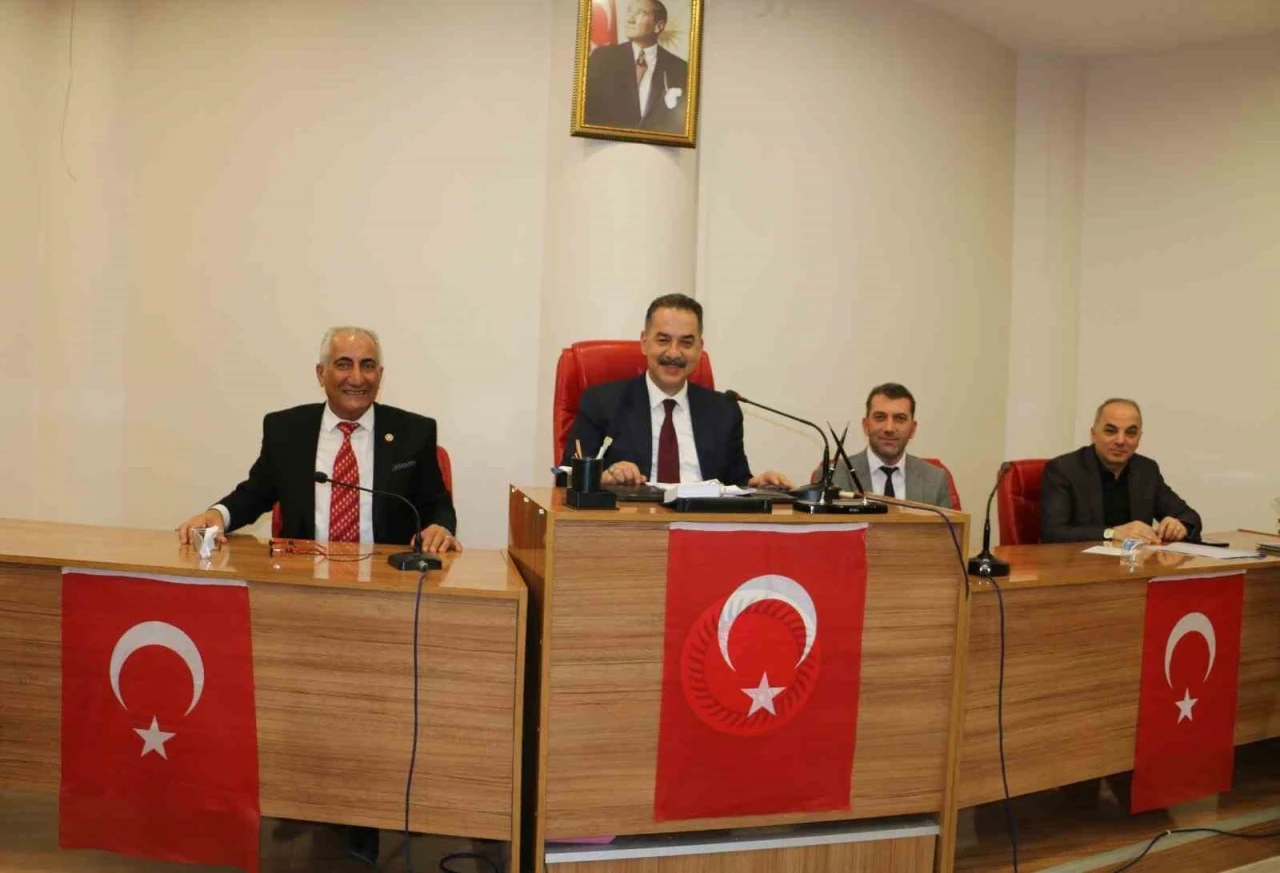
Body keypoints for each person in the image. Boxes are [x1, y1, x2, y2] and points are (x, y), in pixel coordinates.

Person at [177, 326, 459, 552]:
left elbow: (437, 505)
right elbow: (255, 493)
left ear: (380, 375)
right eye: (344, 365)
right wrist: (219, 514)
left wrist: (441, 527)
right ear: (321, 373)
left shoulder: (414, 432)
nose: (357, 378)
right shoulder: (286, 430)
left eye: (368, 366)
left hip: (387, 581)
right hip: (304, 575)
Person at [562, 293, 792, 489]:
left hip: (705, 523)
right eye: (663, 340)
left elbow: (735, 482)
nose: (673, 353)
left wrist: (756, 485)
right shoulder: (602, 403)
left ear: (700, 348)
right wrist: (605, 477)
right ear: (644, 342)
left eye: (686, 343)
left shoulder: (724, 410)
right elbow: (567, 477)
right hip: (634, 521)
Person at [1040, 398, 1201, 544]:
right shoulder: (1064, 469)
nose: (1120, 440)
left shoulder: (1146, 470)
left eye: (1131, 433)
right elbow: (1053, 532)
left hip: (1135, 564)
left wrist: (1180, 526)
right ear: (1094, 434)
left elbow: (1189, 516)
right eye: (1111, 431)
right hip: (1082, 564)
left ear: (1139, 438)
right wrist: (1112, 533)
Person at [825, 383, 953, 507]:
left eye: (900, 418)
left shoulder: (935, 480)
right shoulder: (833, 476)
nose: (889, 428)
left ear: (913, 429)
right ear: (866, 426)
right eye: (880, 417)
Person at [583, 0, 689, 134]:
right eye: (629, 11)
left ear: (658, 26)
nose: (630, 19)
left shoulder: (680, 68)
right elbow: (589, 110)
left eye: (640, 13)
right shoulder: (602, 58)